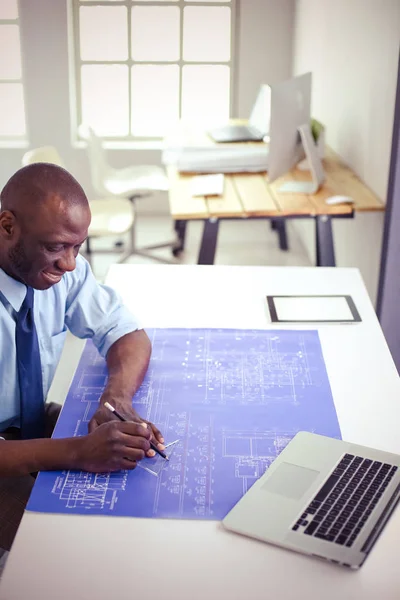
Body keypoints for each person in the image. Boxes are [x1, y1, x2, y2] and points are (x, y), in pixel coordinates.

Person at [0, 163, 165, 551]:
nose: (70, 263)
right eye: (56, 247)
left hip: (29, 424)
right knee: (65, 548)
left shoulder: (59, 270)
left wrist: (116, 398)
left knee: (129, 496)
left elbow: (127, 333)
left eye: (78, 246)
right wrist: (77, 452)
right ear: (7, 227)